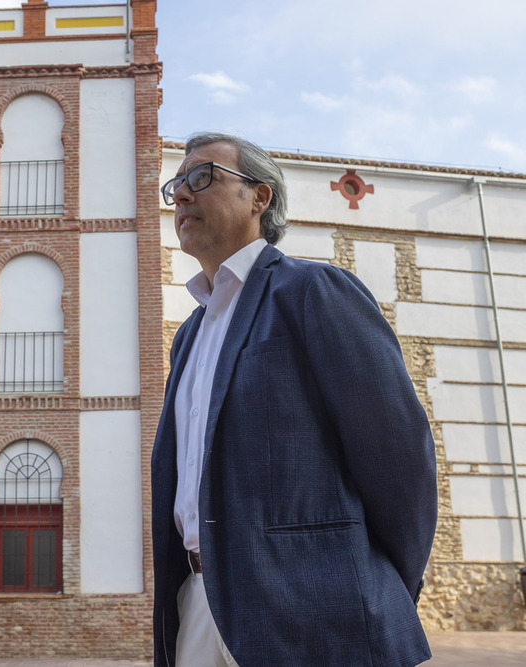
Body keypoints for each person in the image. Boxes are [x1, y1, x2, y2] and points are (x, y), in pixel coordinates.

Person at [151, 132, 437, 666]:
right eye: (177, 184)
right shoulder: (188, 335)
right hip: (195, 604)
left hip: (310, 610)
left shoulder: (314, 291)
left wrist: (380, 583)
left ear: (259, 198)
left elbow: (399, 456)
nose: (182, 194)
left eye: (201, 177)